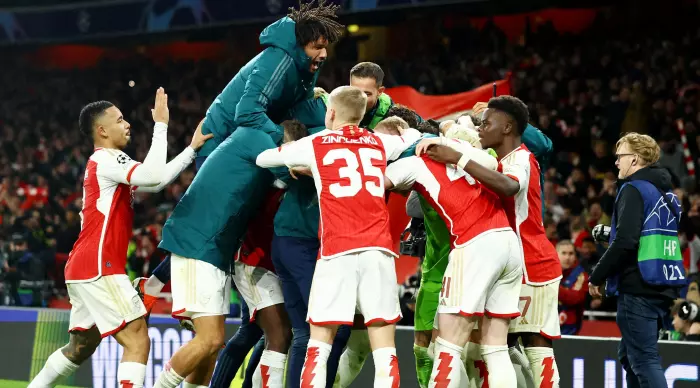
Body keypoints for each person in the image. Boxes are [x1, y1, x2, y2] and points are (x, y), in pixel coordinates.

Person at [29, 88, 211, 388]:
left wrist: (191, 149)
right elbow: (153, 176)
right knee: (137, 338)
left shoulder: (105, 163)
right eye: (120, 119)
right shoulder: (106, 159)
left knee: (81, 346)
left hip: (82, 266)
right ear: (102, 130)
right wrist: (161, 125)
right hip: (99, 265)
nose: (127, 124)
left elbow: (156, 182)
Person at [256, 85, 421, 387]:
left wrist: (299, 163)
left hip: (336, 253)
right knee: (384, 348)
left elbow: (264, 159)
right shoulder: (380, 142)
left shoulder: (316, 143)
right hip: (378, 252)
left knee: (319, 344)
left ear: (330, 113)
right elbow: (411, 138)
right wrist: (407, 133)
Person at [428, 96, 563, 388]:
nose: (481, 127)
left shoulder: (522, 158)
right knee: (497, 346)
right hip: (507, 262)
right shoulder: (498, 161)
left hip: (532, 263)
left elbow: (510, 186)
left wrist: (459, 158)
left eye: (487, 122)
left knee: (535, 346)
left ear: (507, 127)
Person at [386, 135, 522, 388]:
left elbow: (374, 185)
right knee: (496, 348)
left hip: (473, 245)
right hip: (508, 241)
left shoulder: (410, 163)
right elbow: (491, 165)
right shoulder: (463, 151)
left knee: (448, 346)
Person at [589, 132, 686, 388]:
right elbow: (646, 234)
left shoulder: (633, 189)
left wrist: (597, 275)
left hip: (638, 284)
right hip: (661, 283)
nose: (616, 163)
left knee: (643, 360)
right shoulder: (664, 191)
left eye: (620, 157)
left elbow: (627, 242)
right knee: (629, 355)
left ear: (635, 159)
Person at [270, 92, 352, 388]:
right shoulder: (317, 142)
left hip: (293, 241)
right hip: (298, 242)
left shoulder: (319, 144)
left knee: (305, 333)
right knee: (332, 330)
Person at [556, 240, 588, 335]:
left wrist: (553, 287)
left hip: (570, 329)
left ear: (575, 256)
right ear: (556, 254)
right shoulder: (547, 272)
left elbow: (575, 298)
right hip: (546, 325)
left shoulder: (581, 275)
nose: (567, 257)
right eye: (564, 253)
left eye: (571, 253)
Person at [350, 62, 394, 130]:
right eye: (355, 92)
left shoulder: (393, 116)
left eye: (366, 94)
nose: (359, 99)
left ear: (379, 92)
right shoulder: (336, 108)